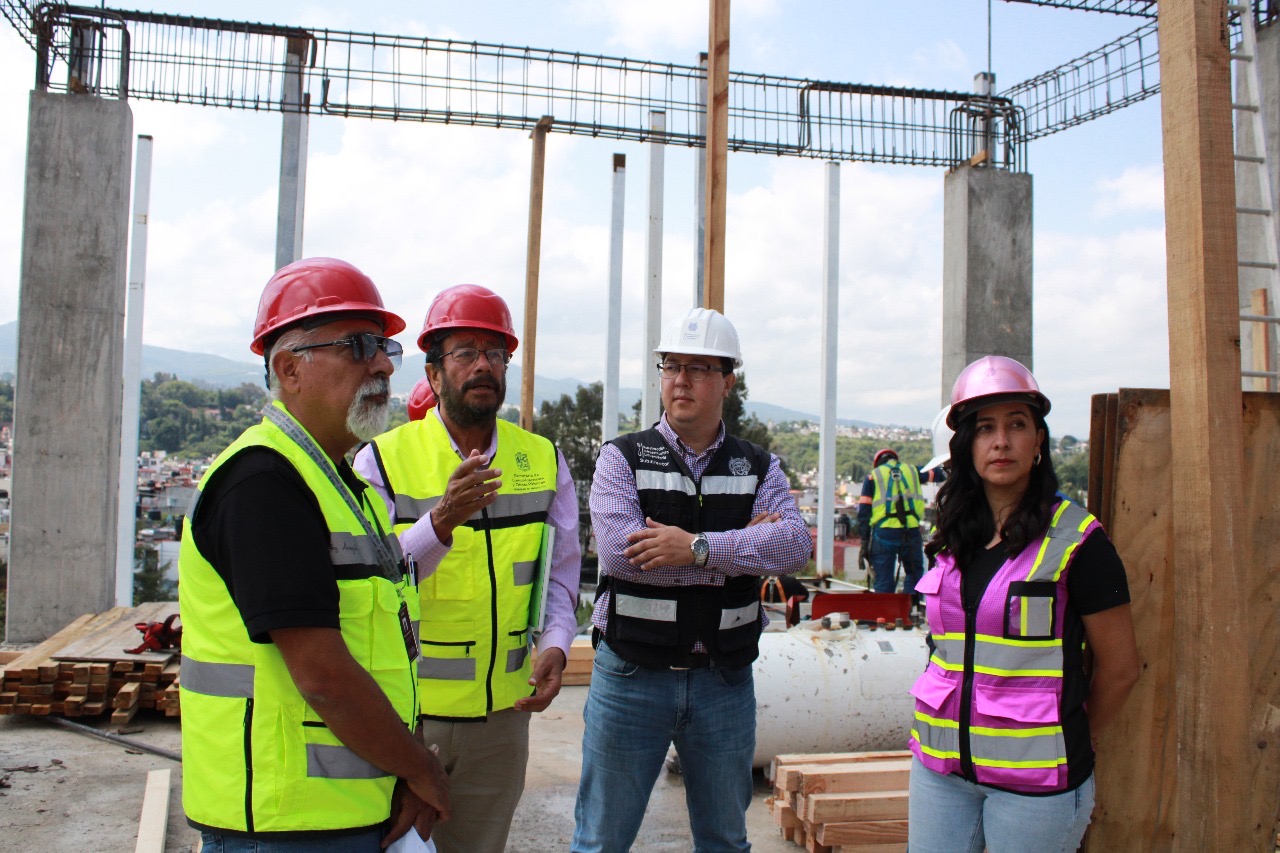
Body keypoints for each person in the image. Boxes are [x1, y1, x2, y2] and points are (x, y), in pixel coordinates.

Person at [177, 257, 450, 851]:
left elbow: (384, 647)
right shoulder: (263, 485)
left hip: (343, 812)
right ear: (288, 368)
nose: (381, 363)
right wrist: (421, 769)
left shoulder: (343, 486)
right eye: (357, 346)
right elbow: (323, 676)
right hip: (282, 826)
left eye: (384, 346)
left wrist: (401, 767)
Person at [572, 307, 812, 853]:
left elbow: (794, 547)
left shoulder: (759, 466)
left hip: (723, 682)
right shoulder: (621, 458)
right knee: (600, 841)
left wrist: (694, 547)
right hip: (631, 676)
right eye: (671, 365)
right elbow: (617, 555)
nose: (681, 379)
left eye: (699, 368)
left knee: (725, 841)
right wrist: (744, 548)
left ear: (728, 380)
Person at [354, 284, 580, 853]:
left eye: (496, 353)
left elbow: (560, 572)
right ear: (432, 374)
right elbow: (368, 588)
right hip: (405, 720)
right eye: (465, 352)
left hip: (503, 724)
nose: (484, 365)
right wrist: (441, 522)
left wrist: (555, 642)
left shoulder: (542, 460)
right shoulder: (380, 461)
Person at [906, 355, 1140, 853]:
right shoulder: (951, 538)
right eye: (985, 428)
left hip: (1036, 789)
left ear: (1038, 442)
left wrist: (1063, 741)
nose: (1001, 441)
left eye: (1017, 424)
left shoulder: (1079, 541)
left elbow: (1121, 669)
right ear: (966, 444)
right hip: (940, 771)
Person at [856, 446, 943, 598]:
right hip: (910, 531)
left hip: (883, 533)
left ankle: (884, 616)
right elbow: (939, 474)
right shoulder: (913, 471)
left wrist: (864, 543)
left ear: (877, 463)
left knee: (883, 580)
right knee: (914, 573)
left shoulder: (873, 476)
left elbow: (864, 514)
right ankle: (909, 610)